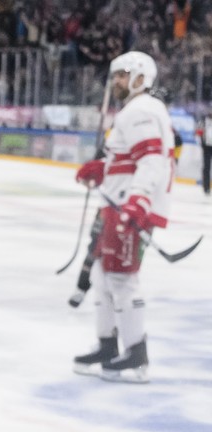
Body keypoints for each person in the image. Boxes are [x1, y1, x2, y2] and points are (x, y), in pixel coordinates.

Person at [70, 51, 173, 383]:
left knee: (122, 281)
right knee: (102, 277)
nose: (115, 81)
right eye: (114, 75)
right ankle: (107, 345)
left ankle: (136, 356)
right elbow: (129, 159)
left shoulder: (141, 110)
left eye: (122, 75)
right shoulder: (136, 110)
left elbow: (151, 161)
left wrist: (137, 202)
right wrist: (103, 169)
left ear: (140, 78)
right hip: (118, 205)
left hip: (128, 209)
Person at [199, 108, 212, 196]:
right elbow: (199, 131)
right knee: (206, 167)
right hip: (207, 147)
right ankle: (206, 187)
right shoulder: (204, 120)